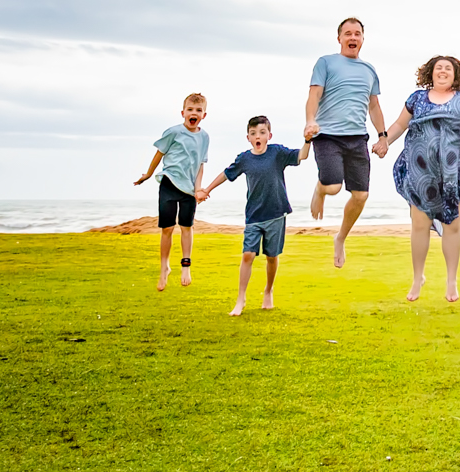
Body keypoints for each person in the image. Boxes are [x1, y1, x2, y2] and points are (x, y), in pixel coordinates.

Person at [375, 55, 460, 302]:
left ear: (456, 74)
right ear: (430, 73)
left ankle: (451, 281)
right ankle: (417, 278)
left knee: (453, 226)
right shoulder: (416, 99)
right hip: (421, 171)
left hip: (455, 172)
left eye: (449, 68)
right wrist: (384, 141)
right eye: (439, 68)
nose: (443, 71)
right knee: (419, 225)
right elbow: (399, 125)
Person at [196, 115, 303, 316]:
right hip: (254, 216)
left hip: (277, 214)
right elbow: (226, 174)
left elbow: (301, 156)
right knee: (248, 254)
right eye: (254, 133)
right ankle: (240, 299)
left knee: (272, 257)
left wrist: (309, 140)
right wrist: (206, 189)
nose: (258, 136)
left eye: (262, 132)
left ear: (269, 135)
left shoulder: (277, 152)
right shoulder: (245, 158)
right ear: (248, 137)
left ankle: (268, 291)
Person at [303, 17, 385, 268]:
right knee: (333, 187)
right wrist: (309, 121)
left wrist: (383, 137)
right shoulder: (326, 62)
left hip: (357, 138)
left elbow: (374, 106)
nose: (352, 38)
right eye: (347, 33)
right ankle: (319, 189)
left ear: (362, 39)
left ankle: (341, 237)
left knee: (361, 195)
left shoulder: (369, 70)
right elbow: (314, 95)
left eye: (357, 34)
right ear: (339, 38)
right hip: (327, 135)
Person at [131, 91, 212, 291]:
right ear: (183, 112)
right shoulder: (173, 132)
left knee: (186, 227)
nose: (194, 113)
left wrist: (198, 189)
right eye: (190, 110)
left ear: (204, 115)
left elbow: (201, 164)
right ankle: (164, 267)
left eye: (198, 110)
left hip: (188, 189)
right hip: (168, 183)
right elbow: (159, 154)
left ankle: (186, 266)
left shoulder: (204, 137)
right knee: (167, 229)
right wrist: (148, 175)